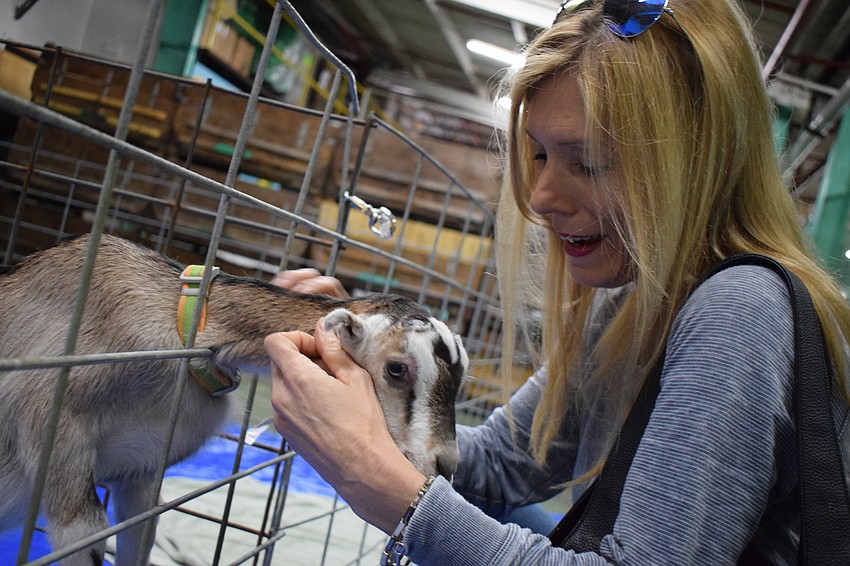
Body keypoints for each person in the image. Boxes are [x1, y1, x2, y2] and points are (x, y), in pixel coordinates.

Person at [264, 0, 850, 563]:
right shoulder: (629, 300)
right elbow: (501, 463)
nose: (540, 197)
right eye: (539, 155)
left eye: (588, 163)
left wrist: (374, 476)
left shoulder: (740, 310)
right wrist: (375, 386)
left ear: (696, 163)